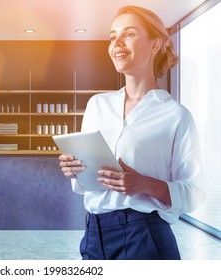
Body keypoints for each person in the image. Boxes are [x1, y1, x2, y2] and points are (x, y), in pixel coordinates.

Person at [59, 5, 205, 260]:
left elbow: (195, 193)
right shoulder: (97, 105)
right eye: (113, 36)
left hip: (145, 236)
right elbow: (82, 188)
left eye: (128, 34)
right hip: (94, 234)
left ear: (154, 44)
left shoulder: (176, 116)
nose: (117, 42)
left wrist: (143, 184)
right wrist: (76, 170)